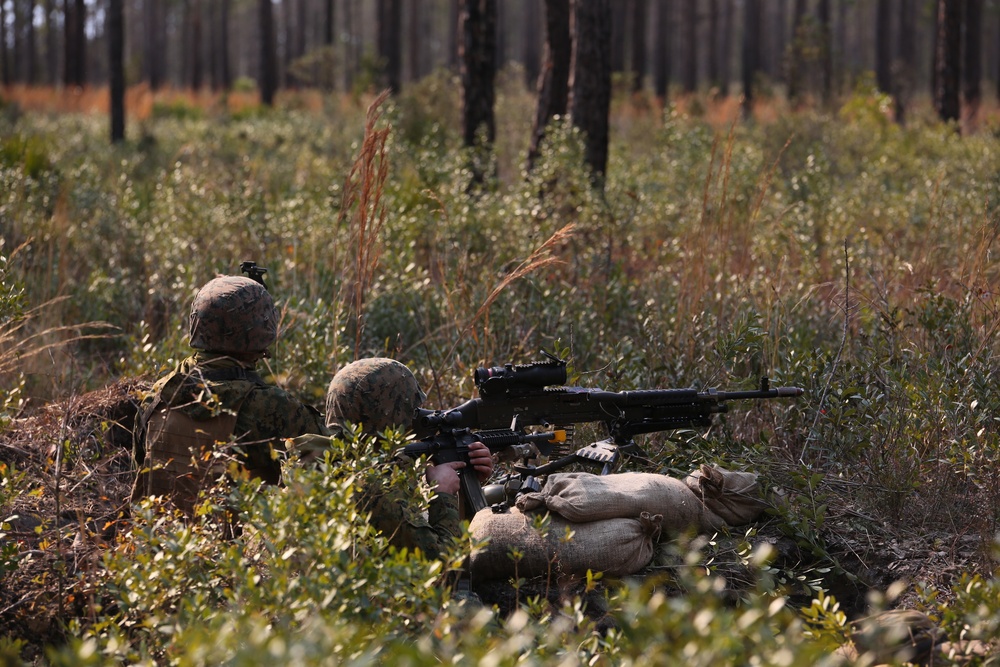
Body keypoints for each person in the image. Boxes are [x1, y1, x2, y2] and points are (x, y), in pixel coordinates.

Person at [131, 273, 329, 514]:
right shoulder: (272, 407)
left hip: (154, 542)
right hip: (232, 548)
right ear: (260, 330)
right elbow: (329, 473)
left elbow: (139, 466)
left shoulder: (159, 393)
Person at [325, 357, 494, 559]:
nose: (417, 417)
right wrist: (442, 494)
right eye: (412, 410)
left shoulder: (329, 462)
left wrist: (466, 485)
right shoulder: (375, 489)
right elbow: (442, 566)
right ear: (389, 414)